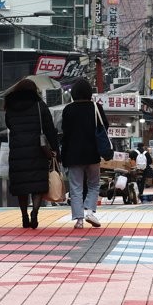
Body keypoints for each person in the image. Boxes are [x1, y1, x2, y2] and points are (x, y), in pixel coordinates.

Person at [5, 78, 59, 229]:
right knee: (37, 185)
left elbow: (9, 124)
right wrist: (55, 150)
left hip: (17, 151)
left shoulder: (10, 106)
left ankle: (24, 216)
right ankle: (35, 212)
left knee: (22, 185)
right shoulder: (39, 105)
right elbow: (49, 129)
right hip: (37, 150)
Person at [61, 78, 107, 229]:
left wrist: (63, 156)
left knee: (76, 188)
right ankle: (90, 212)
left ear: (74, 93)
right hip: (93, 153)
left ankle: (79, 220)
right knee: (93, 184)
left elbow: (65, 134)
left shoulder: (68, 109)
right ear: (89, 92)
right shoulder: (96, 107)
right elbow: (104, 126)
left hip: (73, 155)